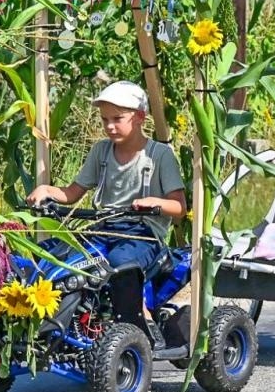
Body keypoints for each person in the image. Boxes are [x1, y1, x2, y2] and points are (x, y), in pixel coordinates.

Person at [26, 80, 186, 331]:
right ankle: (58, 320)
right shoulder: (101, 151)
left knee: (119, 262)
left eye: (117, 119)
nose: (109, 126)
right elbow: (72, 193)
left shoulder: (159, 155)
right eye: (104, 120)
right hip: (102, 228)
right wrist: (47, 191)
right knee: (50, 253)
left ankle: (138, 320)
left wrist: (154, 202)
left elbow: (179, 207)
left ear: (140, 117)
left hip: (142, 235)